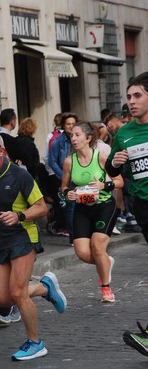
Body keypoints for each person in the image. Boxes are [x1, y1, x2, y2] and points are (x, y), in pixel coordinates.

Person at [0, 131, 67, 360]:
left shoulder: (20, 176)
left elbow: (42, 208)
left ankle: (35, 342)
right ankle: (45, 288)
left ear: (1, 152)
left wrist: (20, 215)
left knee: (17, 292)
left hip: (23, 236)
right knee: (4, 299)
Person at [104, 73, 148, 350]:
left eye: (137, 96)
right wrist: (116, 162)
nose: (131, 102)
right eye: (129, 97)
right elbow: (110, 169)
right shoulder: (124, 133)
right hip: (143, 205)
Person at [61, 122, 122, 303]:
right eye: (72, 135)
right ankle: (106, 262)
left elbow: (119, 181)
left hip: (104, 206)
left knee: (97, 246)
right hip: (82, 207)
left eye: (77, 135)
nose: (73, 138)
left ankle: (105, 288)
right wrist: (67, 193)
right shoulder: (69, 161)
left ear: (88, 138)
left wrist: (105, 185)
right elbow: (63, 187)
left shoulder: (101, 157)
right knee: (81, 252)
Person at [49, 112, 79, 240]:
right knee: (70, 207)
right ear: (63, 125)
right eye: (68, 124)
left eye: (73, 124)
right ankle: (73, 236)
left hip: (81, 176)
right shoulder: (58, 141)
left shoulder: (80, 138)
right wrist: (63, 176)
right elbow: (52, 161)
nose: (71, 126)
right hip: (66, 179)